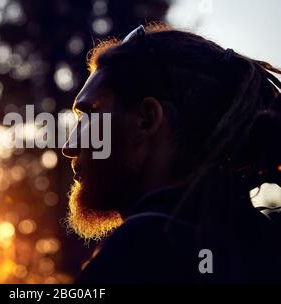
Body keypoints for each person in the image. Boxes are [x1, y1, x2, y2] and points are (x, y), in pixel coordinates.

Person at [62, 23, 281, 283]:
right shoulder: (263, 246)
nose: (69, 146)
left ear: (146, 119)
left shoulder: (140, 251)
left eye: (89, 115)